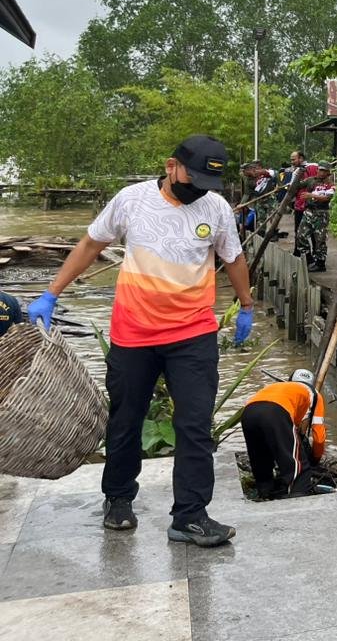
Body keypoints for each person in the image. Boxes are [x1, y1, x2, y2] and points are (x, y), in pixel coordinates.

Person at [27, 134, 254, 548]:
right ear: (172, 166)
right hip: (134, 333)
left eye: (208, 181)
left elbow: (233, 257)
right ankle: (117, 499)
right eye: (193, 176)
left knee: (195, 425)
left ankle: (190, 516)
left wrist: (247, 304)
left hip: (193, 334)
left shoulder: (216, 207)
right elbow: (92, 244)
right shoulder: (131, 200)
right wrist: (52, 292)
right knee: (126, 419)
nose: (198, 187)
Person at [241, 368, 325, 500]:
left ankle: (265, 493)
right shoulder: (315, 394)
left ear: (290, 380)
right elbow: (319, 435)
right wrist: (315, 459)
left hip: (248, 413)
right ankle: (299, 498)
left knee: (261, 459)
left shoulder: (278, 387)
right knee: (298, 468)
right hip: (276, 413)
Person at [297, 163, 335, 272]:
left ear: (328, 172)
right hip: (308, 211)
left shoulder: (330, 184)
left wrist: (311, 195)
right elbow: (297, 185)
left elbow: (326, 198)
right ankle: (309, 259)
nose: (320, 172)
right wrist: (298, 174)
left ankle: (320, 263)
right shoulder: (310, 180)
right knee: (300, 236)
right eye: (319, 170)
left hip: (321, 213)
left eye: (323, 171)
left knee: (320, 239)